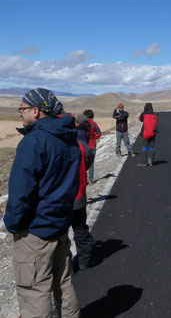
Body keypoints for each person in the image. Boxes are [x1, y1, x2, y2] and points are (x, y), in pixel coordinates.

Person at [4, 88, 80, 317]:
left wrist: (13, 224)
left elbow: (21, 192)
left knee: (34, 290)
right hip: (59, 225)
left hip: (35, 231)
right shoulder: (68, 139)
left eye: (22, 109)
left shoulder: (34, 141)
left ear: (35, 111)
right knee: (63, 283)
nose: (20, 113)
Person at [72, 115, 95, 271]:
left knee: (60, 236)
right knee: (80, 228)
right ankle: (84, 260)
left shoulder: (52, 144)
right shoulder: (80, 145)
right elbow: (88, 163)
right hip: (79, 194)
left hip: (59, 199)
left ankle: (67, 267)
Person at [82, 109, 101, 183]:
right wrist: (94, 137)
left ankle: (83, 180)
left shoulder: (82, 123)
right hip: (92, 146)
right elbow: (98, 133)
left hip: (83, 146)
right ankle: (90, 179)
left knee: (83, 163)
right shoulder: (94, 124)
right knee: (91, 163)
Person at [138, 103, 158, 167]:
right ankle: (150, 161)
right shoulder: (155, 114)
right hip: (153, 134)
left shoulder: (144, 114)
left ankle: (144, 162)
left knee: (144, 148)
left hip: (145, 134)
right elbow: (156, 121)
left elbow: (140, 119)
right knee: (151, 147)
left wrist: (144, 112)